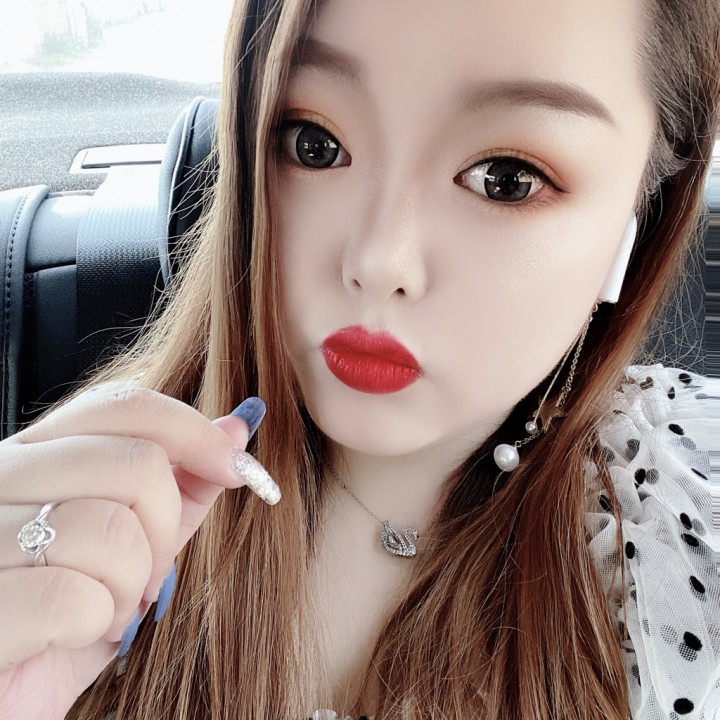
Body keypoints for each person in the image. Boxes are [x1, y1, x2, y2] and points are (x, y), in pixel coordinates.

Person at [1, 0, 719, 718]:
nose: (378, 262)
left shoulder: (689, 514)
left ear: (639, 217)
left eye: (508, 178)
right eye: (313, 144)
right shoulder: (79, 506)